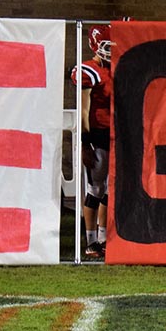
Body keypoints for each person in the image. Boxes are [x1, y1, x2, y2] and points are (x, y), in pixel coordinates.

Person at [70, 23, 115, 259]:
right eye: (106, 46)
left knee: (109, 188)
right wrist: (85, 143)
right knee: (95, 189)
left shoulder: (113, 68)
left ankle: (104, 238)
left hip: (113, 135)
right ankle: (90, 241)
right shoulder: (89, 70)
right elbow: (84, 109)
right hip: (96, 135)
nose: (110, 51)